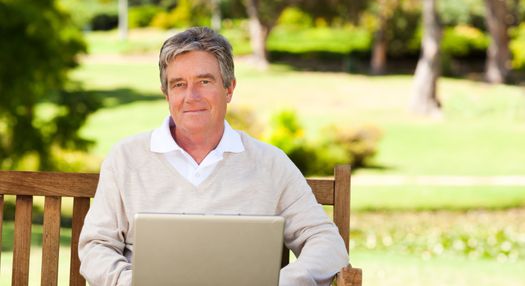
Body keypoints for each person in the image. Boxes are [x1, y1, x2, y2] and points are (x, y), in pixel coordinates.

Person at [78, 27, 348, 286]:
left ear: (229, 89)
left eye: (204, 81)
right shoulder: (125, 159)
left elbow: (326, 244)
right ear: (167, 94)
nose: (190, 96)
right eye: (179, 84)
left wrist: (274, 284)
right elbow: (96, 247)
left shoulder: (270, 164)